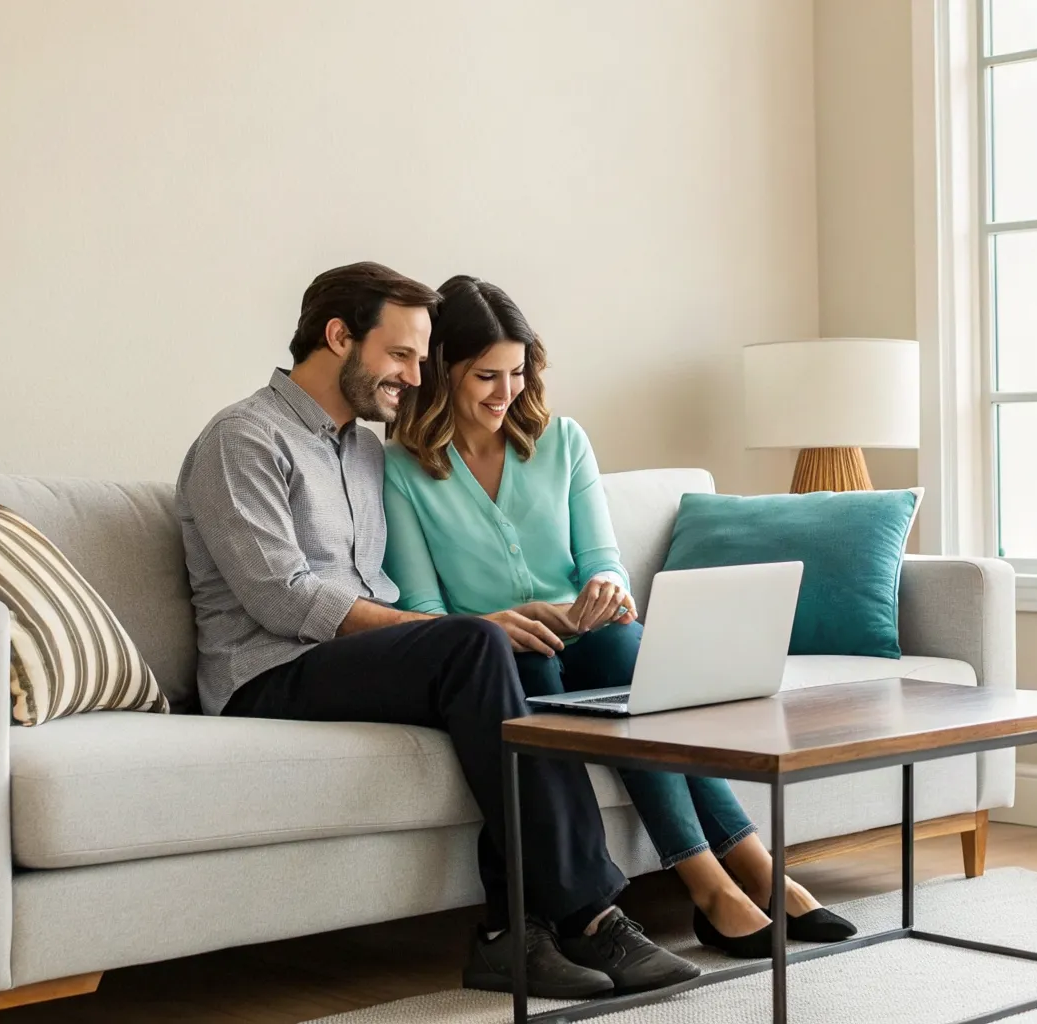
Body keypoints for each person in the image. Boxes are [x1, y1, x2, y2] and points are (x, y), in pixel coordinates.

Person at [175, 262, 698, 999]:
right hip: (268, 672)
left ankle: (514, 934)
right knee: (478, 643)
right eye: (401, 356)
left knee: (514, 675)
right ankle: (591, 913)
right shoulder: (244, 439)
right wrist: (449, 631)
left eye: (422, 359)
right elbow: (282, 600)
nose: (417, 376)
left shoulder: (360, 447)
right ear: (338, 337)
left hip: (355, 657)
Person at [379, 275, 857, 958]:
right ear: (443, 370)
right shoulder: (401, 468)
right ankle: (711, 887)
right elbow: (425, 610)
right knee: (542, 660)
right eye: (486, 375)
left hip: (591, 637)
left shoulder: (563, 441)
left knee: (628, 658)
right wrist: (510, 617)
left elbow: (603, 560)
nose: (505, 391)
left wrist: (604, 588)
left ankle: (755, 867)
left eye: (517, 372)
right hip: (501, 649)